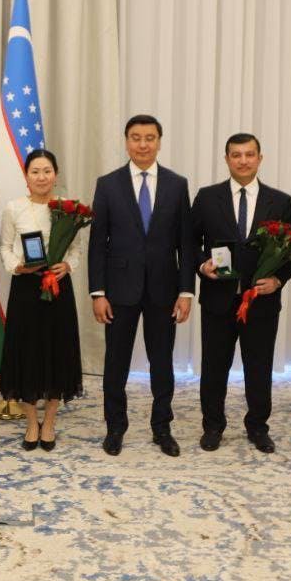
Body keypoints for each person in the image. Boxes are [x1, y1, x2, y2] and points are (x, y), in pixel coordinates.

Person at [88, 114, 197, 457]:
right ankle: (115, 427)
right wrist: (98, 292)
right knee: (116, 363)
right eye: (136, 137)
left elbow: (186, 244)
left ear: (159, 142)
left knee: (162, 363)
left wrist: (186, 291)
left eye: (150, 138)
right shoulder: (108, 184)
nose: (143, 144)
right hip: (119, 290)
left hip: (164, 290)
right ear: (126, 142)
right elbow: (97, 243)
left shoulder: (177, 185)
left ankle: (162, 428)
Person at [190, 133, 291, 455]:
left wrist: (278, 280)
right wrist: (202, 265)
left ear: (259, 158)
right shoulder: (207, 197)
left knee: (259, 368)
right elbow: (189, 241)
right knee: (214, 368)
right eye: (236, 155)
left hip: (261, 302)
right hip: (217, 300)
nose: (243, 160)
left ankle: (258, 427)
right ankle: (213, 426)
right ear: (226, 159)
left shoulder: (280, 201)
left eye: (249, 154)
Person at [0, 149, 85, 452]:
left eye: (47, 171)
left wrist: (68, 265)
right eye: (35, 171)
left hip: (58, 289)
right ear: (26, 176)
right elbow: (5, 248)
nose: (41, 177)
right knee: (27, 353)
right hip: (25, 289)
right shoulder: (14, 208)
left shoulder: (68, 209)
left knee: (57, 352)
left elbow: (76, 249)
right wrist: (18, 267)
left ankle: (49, 422)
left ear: (55, 175)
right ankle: (31, 422)